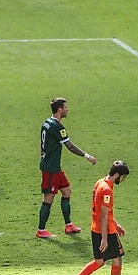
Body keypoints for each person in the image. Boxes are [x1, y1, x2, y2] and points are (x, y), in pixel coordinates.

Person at [65, 161, 134, 275]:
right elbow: (103, 215)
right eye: (123, 177)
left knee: (100, 261)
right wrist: (105, 239)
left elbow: (104, 212)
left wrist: (117, 224)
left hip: (95, 228)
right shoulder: (107, 190)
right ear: (116, 174)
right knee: (117, 259)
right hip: (106, 231)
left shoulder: (100, 183)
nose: (123, 180)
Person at [37, 97, 97, 239]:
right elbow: (70, 146)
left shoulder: (47, 122)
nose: (67, 109)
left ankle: (69, 225)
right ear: (60, 110)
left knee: (66, 191)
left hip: (53, 166)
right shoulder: (57, 127)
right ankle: (41, 230)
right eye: (65, 107)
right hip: (50, 168)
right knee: (48, 198)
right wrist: (87, 156)